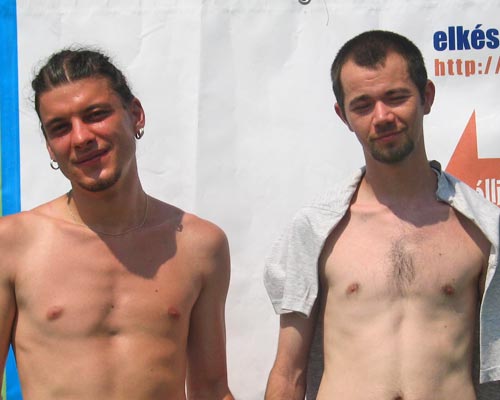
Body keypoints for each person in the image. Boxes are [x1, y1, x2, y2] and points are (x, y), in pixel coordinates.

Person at [264, 30, 500, 399]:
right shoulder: (316, 229)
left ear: (427, 96)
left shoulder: (484, 229)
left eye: (396, 97)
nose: (382, 116)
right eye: (362, 105)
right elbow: (288, 373)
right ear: (343, 115)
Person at [0, 48, 234, 400]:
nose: (81, 138)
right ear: (49, 147)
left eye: (95, 115)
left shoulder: (200, 245)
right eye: (60, 128)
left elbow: (211, 390)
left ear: (135, 114)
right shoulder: (12, 244)